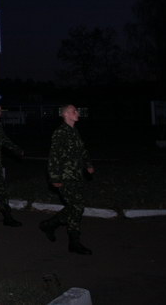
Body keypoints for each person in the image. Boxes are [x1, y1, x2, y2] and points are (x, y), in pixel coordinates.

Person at [40, 104, 95, 255]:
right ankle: (74, 242)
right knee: (77, 206)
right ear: (65, 115)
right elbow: (54, 156)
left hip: (76, 175)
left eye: (76, 110)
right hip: (64, 177)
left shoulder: (74, 131)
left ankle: (50, 224)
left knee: (75, 206)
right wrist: (54, 178)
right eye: (73, 111)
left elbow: (82, 150)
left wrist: (88, 164)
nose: (77, 113)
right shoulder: (60, 133)